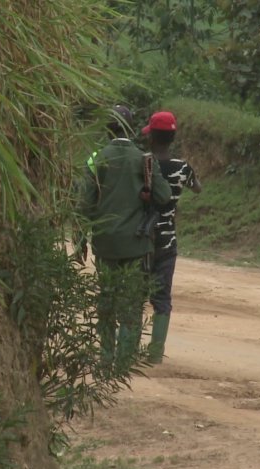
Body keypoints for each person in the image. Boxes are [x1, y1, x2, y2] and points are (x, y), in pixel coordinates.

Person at [78, 105, 171, 370]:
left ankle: (105, 357)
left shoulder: (96, 158)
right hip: (136, 243)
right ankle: (124, 361)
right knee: (131, 302)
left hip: (105, 242)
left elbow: (84, 203)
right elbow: (163, 197)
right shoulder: (144, 159)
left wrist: (83, 236)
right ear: (131, 129)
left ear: (108, 128)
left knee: (106, 299)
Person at [142, 111, 202, 364]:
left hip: (141, 238)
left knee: (135, 295)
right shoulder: (182, 167)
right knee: (162, 297)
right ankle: (155, 353)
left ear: (151, 136)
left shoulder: (143, 163)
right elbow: (198, 188)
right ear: (173, 137)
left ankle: (126, 351)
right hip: (168, 239)